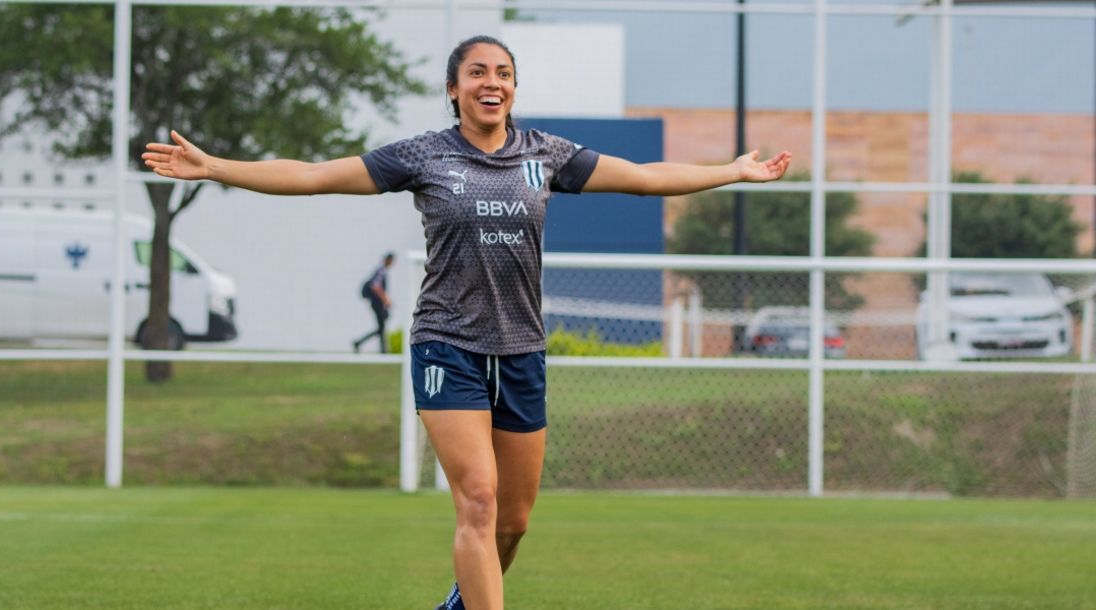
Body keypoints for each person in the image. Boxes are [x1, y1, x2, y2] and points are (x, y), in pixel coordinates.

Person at [143, 34, 790, 610]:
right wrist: (216, 167)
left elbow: (646, 178)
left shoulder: (546, 155)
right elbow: (313, 176)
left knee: (513, 523)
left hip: (521, 353)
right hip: (446, 347)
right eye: (477, 72)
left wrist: (731, 171)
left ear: (513, 87)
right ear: (454, 89)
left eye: (503, 72)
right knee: (477, 502)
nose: (492, 82)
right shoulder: (422, 156)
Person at [353, 252, 395, 353]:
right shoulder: (381, 271)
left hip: (378, 303)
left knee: (381, 327)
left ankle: (381, 350)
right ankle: (381, 350)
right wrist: (386, 300)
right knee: (381, 327)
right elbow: (376, 286)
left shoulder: (381, 270)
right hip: (377, 303)